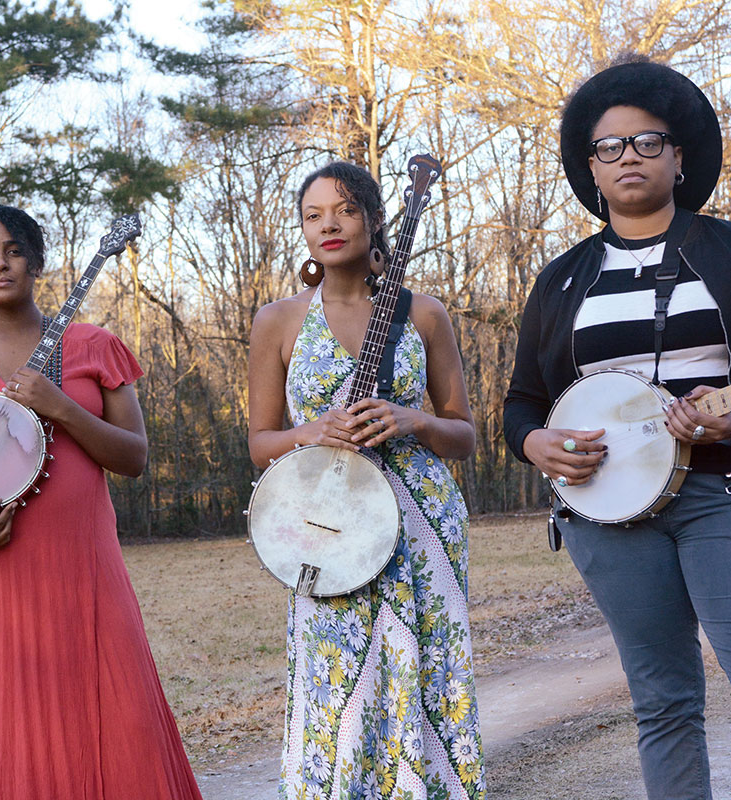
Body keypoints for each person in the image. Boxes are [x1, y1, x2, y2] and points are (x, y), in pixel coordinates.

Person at [503, 57, 731, 799]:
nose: (629, 156)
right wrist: (537, 445)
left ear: (680, 156)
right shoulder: (562, 280)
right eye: (611, 146)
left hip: (730, 497)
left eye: (648, 141)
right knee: (663, 707)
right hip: (607, 517)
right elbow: (523, 403)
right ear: (590, 168)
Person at [0, 205, 201, 799]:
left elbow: (135, 457)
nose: (0, 262)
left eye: (13, 250)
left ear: (36, 262)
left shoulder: (93, 346)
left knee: (116, 717)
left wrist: (61, 406)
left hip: (80, 570)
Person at [248, 162, 486, 798]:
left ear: (376, 220)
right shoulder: (278, 321)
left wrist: (412, 420)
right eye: (313, 214)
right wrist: (310, 432)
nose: (329, 224)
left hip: (420, 524)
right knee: (336, 685)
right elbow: (259, 443)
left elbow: (463, 434)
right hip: (326, 526)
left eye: (345, 210)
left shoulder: (425, 315)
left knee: (428, 676)